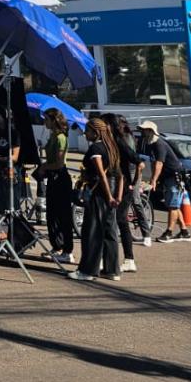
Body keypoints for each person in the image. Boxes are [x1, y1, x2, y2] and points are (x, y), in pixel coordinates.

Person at [69, 117, 122, 282]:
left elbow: (101, 174)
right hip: (112, 191)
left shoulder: (96, 149)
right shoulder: (112, 147)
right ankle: (112, 270)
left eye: (88, 130)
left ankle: (88, 270)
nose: (85, 133)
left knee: (92, 231)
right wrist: (117, 197)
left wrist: (108, 196)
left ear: (96, 132)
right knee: (109, 231)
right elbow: (120, 175)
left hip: (100, 193)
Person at [138, 120, 191, 243]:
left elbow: (159, 163)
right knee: (174, 205)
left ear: (151, 131)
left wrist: (154, 180)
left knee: (173, 205)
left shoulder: (159, 144)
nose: (142, 133)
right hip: (168, 177)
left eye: (144, 130)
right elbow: (153, 162)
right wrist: (153, 178)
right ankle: (184, 231)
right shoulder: (151, 144)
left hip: (175, 176)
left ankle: (169, 232)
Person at [102, 114, 140, 272]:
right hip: (117, 184)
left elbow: (137, 159)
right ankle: (115, 259)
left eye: (104, 124)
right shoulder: (111, 141)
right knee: (116, 221)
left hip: (122, 187)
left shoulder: (119, 141)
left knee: (120, 221)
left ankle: (129, 259)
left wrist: (132, 182)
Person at [35, 107, 73, 262]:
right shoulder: (52, 136)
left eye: (46, 119)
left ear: (54, 120)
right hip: (51, 177)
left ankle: (67, 250)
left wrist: (45, 167)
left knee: (63, 214)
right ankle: (57, 245)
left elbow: (59, 163)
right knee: (52, 214)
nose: (44, 122)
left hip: (60, 178)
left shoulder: (61, 138)